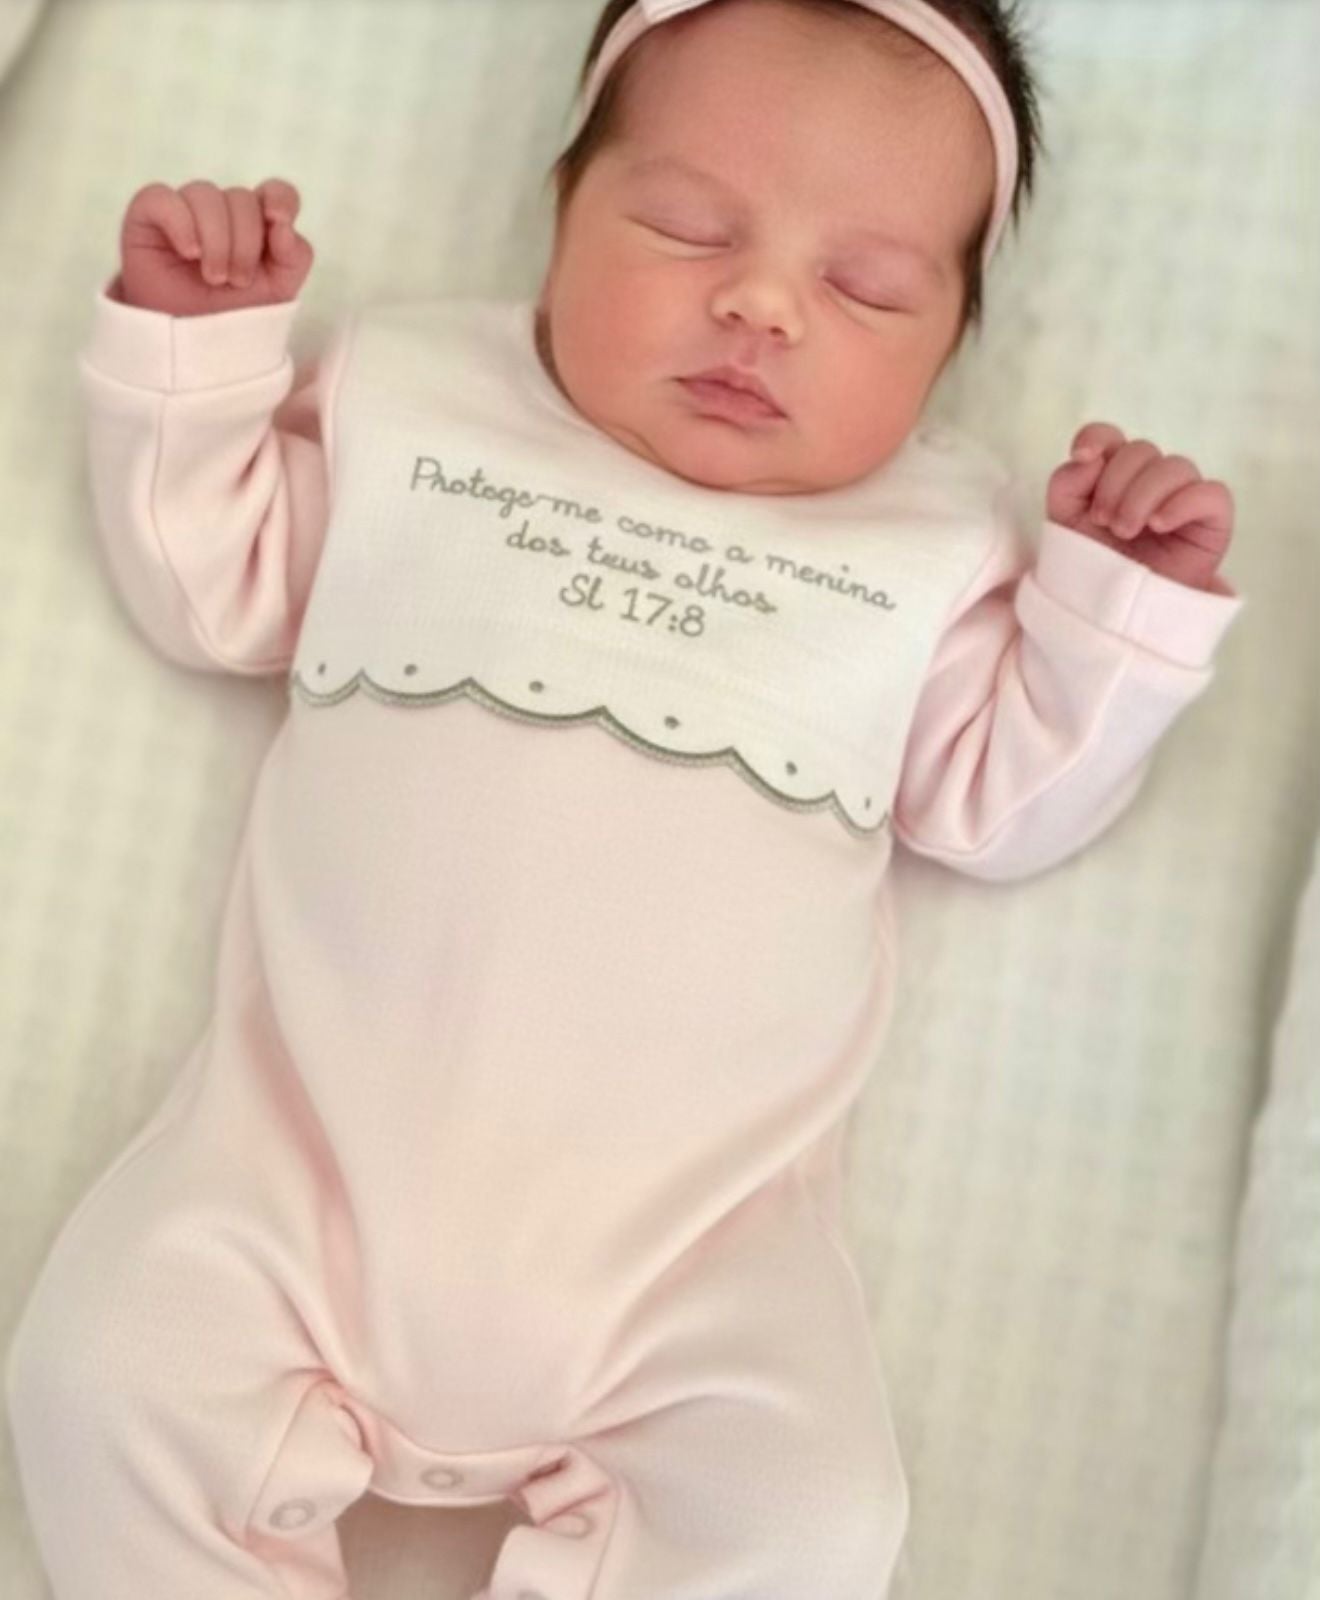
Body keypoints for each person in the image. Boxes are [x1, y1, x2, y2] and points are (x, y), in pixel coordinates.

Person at [4, 2, 1244, 1597]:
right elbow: (215, 585)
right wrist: (194, 357)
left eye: (865, 287)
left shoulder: (929, 551)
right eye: (686, 228)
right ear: (563, 206)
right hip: (289, 1181)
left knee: (812, 1518)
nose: (760, 304)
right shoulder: (416, 402)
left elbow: (1002, 807)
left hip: (694, 1271)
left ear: (949, 343)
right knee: (102, 1377)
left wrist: (1114, 617)